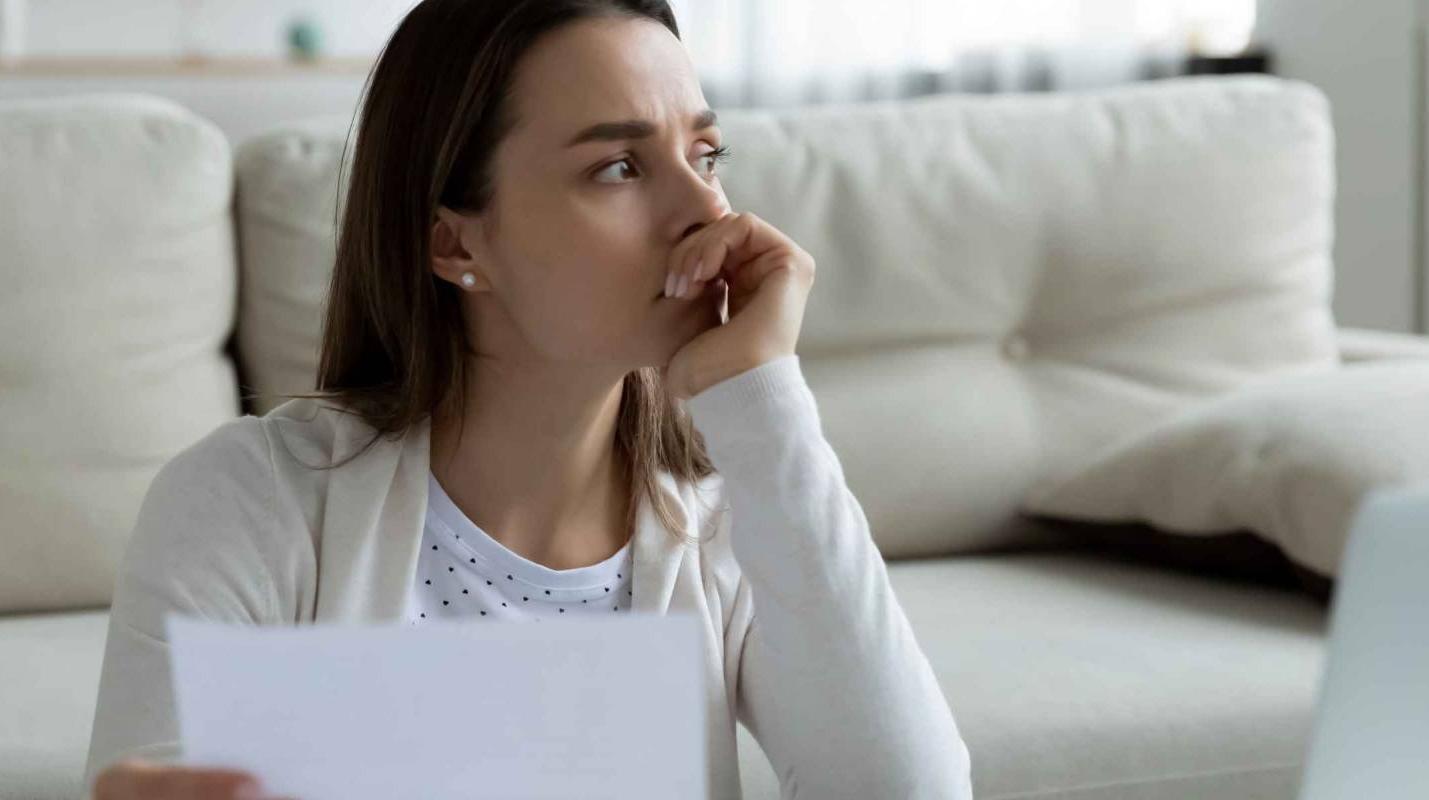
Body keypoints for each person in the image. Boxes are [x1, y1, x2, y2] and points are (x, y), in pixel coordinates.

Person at [84, 0, 971, 797]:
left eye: (707, 154)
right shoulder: (249, 503)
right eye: (620, 167)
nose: (706, 207)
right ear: (453, 243)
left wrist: (760, 396)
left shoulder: (733, 517)